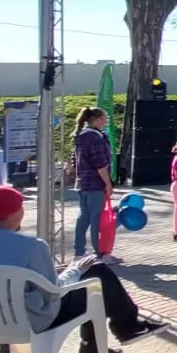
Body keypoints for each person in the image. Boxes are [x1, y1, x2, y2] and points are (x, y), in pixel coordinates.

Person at [0, 186, 164, 353]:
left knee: (82, 280)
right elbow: (54, 290)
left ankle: (6, 352)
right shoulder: (32, 246)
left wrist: (60, 271)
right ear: (15, 213)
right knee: (96, 277)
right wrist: (75, 270)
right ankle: (120, 332)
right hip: (34, 320)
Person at [69, 107, 117, 261]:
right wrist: (108, 183)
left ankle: (79, 252)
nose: (105, 121)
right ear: (96, 119)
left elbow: (74, 160)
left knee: (84, 216)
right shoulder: (96, 137)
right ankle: (100, 252)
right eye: (104, 118)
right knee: (97, 218)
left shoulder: (80, 135)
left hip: (82, 182)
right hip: (96, 184)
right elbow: (100, 163)